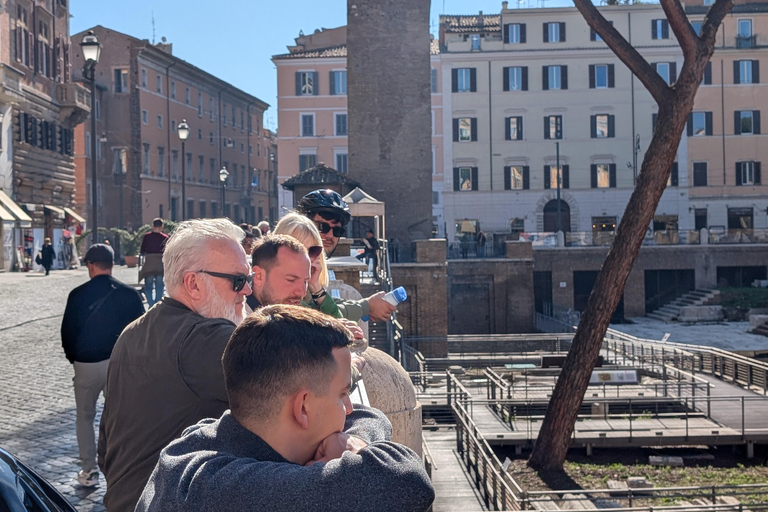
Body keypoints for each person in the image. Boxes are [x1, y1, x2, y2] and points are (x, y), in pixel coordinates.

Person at [135, 305, 435, 512]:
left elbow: (370, 416)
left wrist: (349, 443)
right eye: (343, 393)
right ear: (302, 407)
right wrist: (354, 451)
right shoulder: (214, 491)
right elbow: (407, 481)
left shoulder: (207, 440)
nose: (347, 409)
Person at [98, 218, 252, 512]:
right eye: (237, 280)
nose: (245, 291)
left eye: (249, 280)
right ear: (193, 283)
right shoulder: (208, 338)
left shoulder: (132, 332)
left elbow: (106, 446)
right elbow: (296, 385)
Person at [61, 243, 144, 488]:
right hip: (118, 363)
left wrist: (74, 358)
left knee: (85, 417)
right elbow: (140, 332)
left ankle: (89, 471)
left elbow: (67, 332)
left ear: (90, 265)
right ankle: (119, 468)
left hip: (85, 363)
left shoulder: (77, 294)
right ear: (111, 265)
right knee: (119, 417)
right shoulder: (129, 294)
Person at [296, 189, 397, 322]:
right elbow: (307, 316)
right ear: (303, 225)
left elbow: (320, 306)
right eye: (322, 227)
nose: (330, 235)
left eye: (337, 230)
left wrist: (366, 305)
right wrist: (366, 306)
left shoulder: (311, 267)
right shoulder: (290, 265)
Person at [273, 213, 342, 318]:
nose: (307, 259)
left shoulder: (310, 289)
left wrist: (315, 286)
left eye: (313, 250)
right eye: (299, 250)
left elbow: (337, 320)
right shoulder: (278, 289)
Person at [245, 234, 313, 312]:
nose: (302, 292)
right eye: (291, 280)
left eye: (305, 282)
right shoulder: (235, 318)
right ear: (258, 276)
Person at [139, 218, 169, 307]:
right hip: (160, 263)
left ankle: (151, 304)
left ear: (153, 226)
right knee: (159, 286)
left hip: (149, 262)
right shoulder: (165, 237)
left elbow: (142, 250)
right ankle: (157, 305)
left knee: (148, 285)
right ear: (162, 226)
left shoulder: (147, 236)